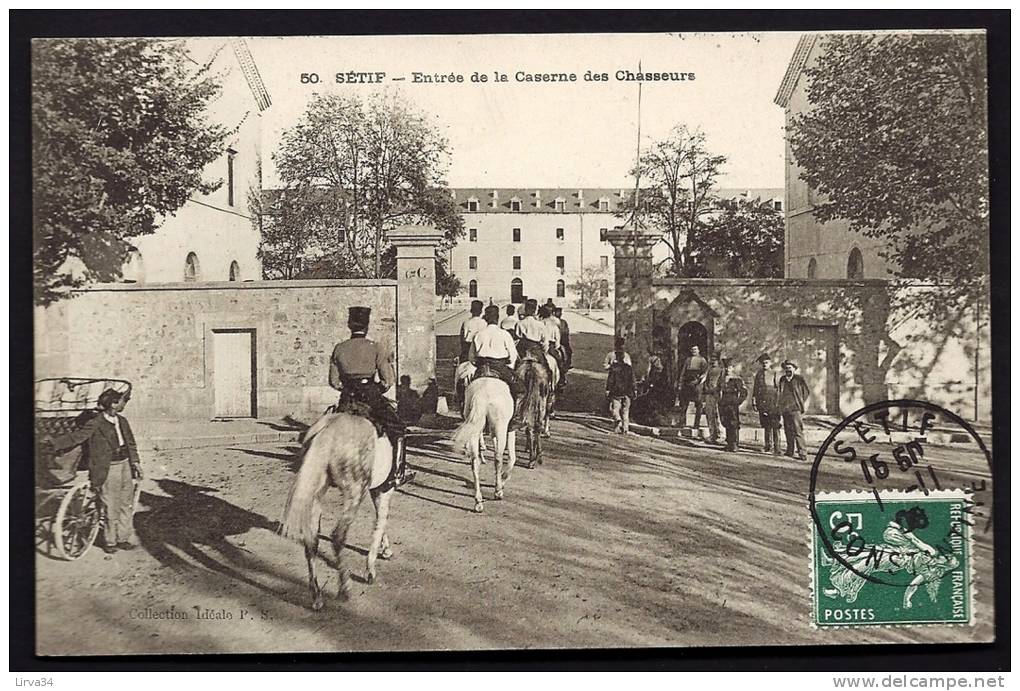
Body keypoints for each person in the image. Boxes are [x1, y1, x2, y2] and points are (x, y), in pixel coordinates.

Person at [48, 388, 143, 554]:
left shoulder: (122, 421)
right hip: (108, 468)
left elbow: (131, 443)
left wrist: (135, 463)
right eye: (123, 401)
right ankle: (110, 541)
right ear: (114, 404)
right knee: (110, 505)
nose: (124, 404)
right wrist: (52, 444)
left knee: (126, 503)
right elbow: (77, 437)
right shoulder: (96, 423)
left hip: (125, 464)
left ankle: (122, 538)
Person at [329, 306, 415, 488]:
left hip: (346, 399)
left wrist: (347, 387)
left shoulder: (339, 348)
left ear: (349, 325)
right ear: (367, 326)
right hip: (370, 396)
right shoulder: (375, 347)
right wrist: (378, 390)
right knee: (398, 428)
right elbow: (388, 380)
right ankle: (398, 471)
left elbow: (334, 382)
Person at [469, 304, 526, 430]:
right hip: (500, 367)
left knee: (468, 389)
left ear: (486, 318)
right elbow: (513, 356)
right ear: (498, 318)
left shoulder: (478, 335)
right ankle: (515, 418)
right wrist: (509, 366)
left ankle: (468, 415)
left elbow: (472, 358)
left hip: (482, 368)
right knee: (521, 390)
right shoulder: (504, 334)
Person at [777, 359, 811, 460]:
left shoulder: (799, 379)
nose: (788, 369)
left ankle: (802, 452)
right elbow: (779, 392)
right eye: (786, 368)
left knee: (798, 430)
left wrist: (800, 401)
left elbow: (806, 392)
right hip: (785, 409)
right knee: (788, 430)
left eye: (790, 367)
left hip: (795, 409)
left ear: (794, 369)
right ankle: (790, 450)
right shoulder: (782, 379)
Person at [751, 353, 782, 456]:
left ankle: (777, 448)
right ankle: (768, 446)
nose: (765, 364)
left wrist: (778, 403)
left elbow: (778, 390)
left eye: (766, 362)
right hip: (762, 402)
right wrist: (754, 401)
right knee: (766, 425)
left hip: (773, 402)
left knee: (775, 425)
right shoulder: (759, 374)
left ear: (770, 363)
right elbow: (755, 389)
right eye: (763, 363)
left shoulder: (774, 373)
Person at [605, 337, 636, 434]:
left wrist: (607, 389)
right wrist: (634, 390)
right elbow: (632, 380)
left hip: (616, 392)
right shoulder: (629, 368)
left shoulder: (614, 367)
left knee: (614, 409)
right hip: (627, 392)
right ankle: (625, 429)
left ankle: (618, 420)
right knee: (626, 411)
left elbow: (610, 380)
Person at [515, 298, 551, 377]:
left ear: (525, 310)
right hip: (536, 349)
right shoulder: (540, 324)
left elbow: (517, 338)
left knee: (514, 369)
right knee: (547, 370)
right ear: (534, 310)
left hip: (522, 350)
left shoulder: (519, 323)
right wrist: (544, 351)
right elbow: (545, 342)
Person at [677, 345, 709, 428]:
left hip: (697, 384)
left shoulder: (702, 360)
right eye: (692, 349)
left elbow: (705, 372)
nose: (694, 351)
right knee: (684, 403)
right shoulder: (688, 360)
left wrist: (699, 381)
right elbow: (683, 372)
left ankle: (696, 424)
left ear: (698, 350)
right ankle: (682, 422)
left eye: (695, 349)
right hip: (687, 383)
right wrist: (680, 383)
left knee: (699, 404)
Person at [718, 362, 748, 452]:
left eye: (729, 367)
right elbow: (717, 389)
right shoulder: (722, 378)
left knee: (733, 423)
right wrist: (718, 400)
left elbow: (744, 392)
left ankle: (734, 444)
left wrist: (737, 401)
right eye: (726, 368)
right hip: (724, 403)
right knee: (726, 422)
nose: (727, 370)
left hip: (732, 404)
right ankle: (729, 443)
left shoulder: (736, 379)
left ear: (733, 368)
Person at [701, 352, 726, 444]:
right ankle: (712, 435)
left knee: (718, 414)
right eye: (712, 359)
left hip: (717, 394)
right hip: (709, 394)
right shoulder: (709, 370)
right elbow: (706, 381)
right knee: (709, 414)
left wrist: (717, 390)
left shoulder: (721, 370)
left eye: (715, 359)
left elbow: (722, 382)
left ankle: (721, 435)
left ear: (718, 360)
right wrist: (706, 388)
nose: (713, 361)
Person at [541, 304, 565, 388]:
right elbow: (558, 338)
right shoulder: (555, 322)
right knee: (559, 360)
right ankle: (562, 379)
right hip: (551, 345)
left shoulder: (540, 322)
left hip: (539, 346)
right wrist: (557, 346)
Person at [553, 307, 573, 372]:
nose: (560, 314)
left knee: (569, 351)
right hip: (555, 340)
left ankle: (567, 364)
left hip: (562, 340)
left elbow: (566, 331)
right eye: (558, 312)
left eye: (560, 312)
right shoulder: (553, 321)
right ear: (555, 313)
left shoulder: (563, 322)